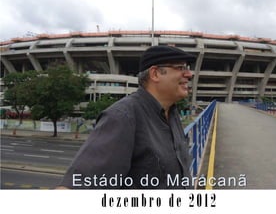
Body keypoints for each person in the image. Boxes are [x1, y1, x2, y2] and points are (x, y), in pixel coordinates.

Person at [57, 45, 196, 189]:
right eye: (181, 67)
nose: (189, 74)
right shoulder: (122, 117)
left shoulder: (172, 113)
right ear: (155, 74)